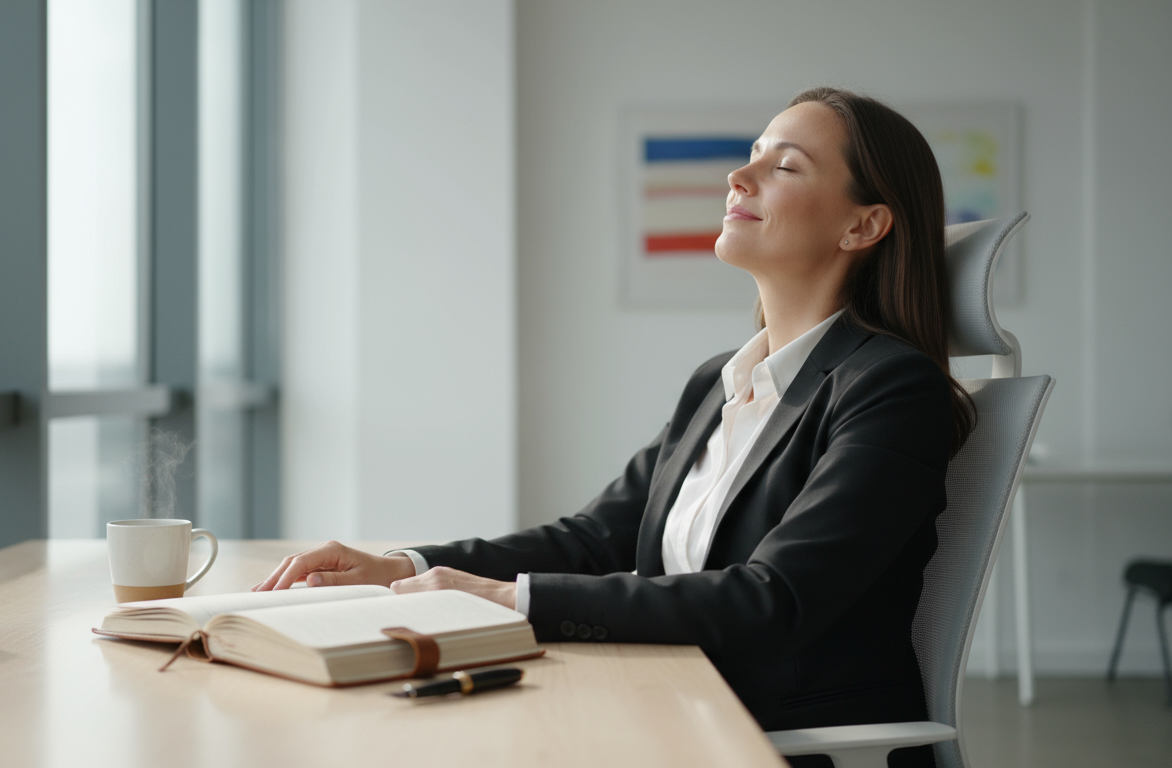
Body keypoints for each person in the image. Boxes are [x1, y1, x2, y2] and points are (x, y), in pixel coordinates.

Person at [255, 87, 973, 768]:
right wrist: (403, 567)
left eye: (784, 165)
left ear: (863, 225)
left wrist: (508, 600)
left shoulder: (890, 387)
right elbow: (595, 538)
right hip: (676, 703)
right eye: (752, 153)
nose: (739, 175)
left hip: (774, 737)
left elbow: (772, 598)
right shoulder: (719, 381)